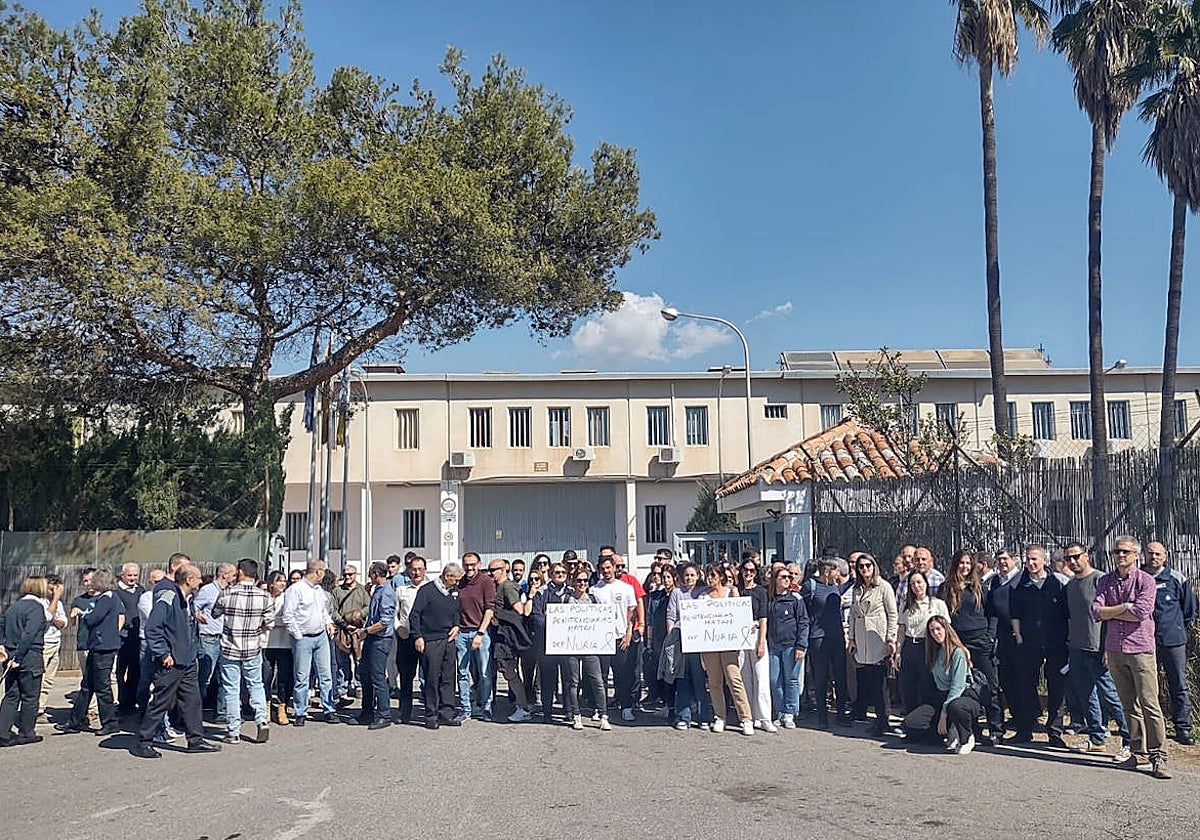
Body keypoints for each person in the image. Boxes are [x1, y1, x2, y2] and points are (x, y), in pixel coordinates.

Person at [1092, 536, 1171, 780]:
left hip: (1141, 649)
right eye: (1116, 551)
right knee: (1129, 705)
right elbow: (1096, 611)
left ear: (1136, 554)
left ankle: (1159, 755)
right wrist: (1125, 606)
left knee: (1150, 703)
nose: (1120, 555)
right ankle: (1139, 753)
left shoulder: (1146, 580)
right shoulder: (1105, 580)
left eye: (1125, 551)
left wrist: (1116, 611)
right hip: (1115, 649)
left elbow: (1141, 612)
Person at [132, 564, 221, 758]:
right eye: (197, 577)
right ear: (188, 580)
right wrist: (164, 654)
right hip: (171, 661)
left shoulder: (187, 599)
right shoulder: (169, 596)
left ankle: (195, 740)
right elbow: (153, 628)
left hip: (186, 660)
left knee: (192, 701)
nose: (200, 580)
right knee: (160, 701)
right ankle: (144, 741)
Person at [1061, 543, 1131, 763]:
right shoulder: (1071, 585)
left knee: (1111, 696)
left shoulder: (1101, 580)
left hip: (1098, 648)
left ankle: (1130, 741)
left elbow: (1112, 615)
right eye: (1068, 558)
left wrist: (1107, 648)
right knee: (1087, 695)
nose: (1072, 562)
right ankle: (1096, 737)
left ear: (1086, 556)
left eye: (1076, 556)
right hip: (1077, 648)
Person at [1008, 544, 1069, 745]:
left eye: (1035, 559)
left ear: (1045, 559)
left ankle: (1054, 732)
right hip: (1029, 643)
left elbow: (1067, 614)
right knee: (1026, 686)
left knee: (1057, 688)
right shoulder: (1019, 585)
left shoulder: (1059, 583)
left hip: (1056, 644)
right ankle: (1025, 730)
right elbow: (1014, 613)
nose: (1031, 563)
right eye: (1028, 559)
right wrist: (1019, 637)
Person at [211, 558, 275, 744]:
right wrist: (256, 630)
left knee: (231, 689)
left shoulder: (227, 592)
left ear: (240, 571)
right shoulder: (264, 596)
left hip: (230, 647)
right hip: (253, 647)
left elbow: (215, 613)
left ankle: (234, 731)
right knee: (256, 685)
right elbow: (269, 624)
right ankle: (262, 720)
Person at [943, 548, 1002, 743]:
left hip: (981, 642)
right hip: (958, 644)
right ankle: (972, 729)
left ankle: (996, 729)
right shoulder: (947, 588)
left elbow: (993, 613)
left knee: (990, 687)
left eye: (968, 563)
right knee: (964, 687)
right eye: (962, 563)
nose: (965, 567)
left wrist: (990, 637)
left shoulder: (980, 587)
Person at [901, 615, 981, 755]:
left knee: (955, 707)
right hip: (942, 697)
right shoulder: (935, 652)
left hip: (963, 697)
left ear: (946, 629)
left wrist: (943, 714)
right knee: (911, 722)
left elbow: (957, 687)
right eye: (932, 631)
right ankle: (946, 730)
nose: (936, 633)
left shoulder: (958, 653)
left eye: (938, 629)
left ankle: (966, 736)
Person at [1142, 540, 1196, 745]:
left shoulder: (1176, 578)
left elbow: (1189, 609)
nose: (1153, 557)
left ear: (1165, 556)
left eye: (1158, 554)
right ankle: (1151, 729)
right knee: (1147, 686)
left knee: (1178, 684)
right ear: (1143, 555)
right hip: (1144, 641)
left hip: (1173, 641)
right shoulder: (1138, 577)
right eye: (1150, 553)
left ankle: (1183, 728)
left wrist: (1177, 628)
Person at [59, 568, 124, 736]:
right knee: (87, 685)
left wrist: (84, 613)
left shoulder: (107, 598)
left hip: (104, 647)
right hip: (97, 646)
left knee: (102, 687)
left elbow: (93, 618)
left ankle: (110, 722)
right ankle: (76, 720)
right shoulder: (106, 598)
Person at [697, 564, 755, 736]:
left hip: (729, 644)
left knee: (734, 679)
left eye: (713, 575)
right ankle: (720, 716)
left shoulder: (732, 593)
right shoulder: (703, 597)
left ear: (721, 577)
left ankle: (746, 718)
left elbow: (741, 615)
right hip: (710, 644)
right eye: (708, 575)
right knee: (714, 681)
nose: (710, 579)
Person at [281, 558, 338, 726]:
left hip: (320, 636)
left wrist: (328, 622)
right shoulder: (296, 590)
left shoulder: (318, 591)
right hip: (303, 638)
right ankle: (300, 711)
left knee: (326, 675)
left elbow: (323, 611)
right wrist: (298, 636)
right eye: (323, 571)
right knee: (302, 676)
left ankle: (329, 709)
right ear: (318, 571)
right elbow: (288, 615)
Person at [847, 552, 897, 736]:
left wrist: (890, 638)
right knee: (869, 679)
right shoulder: (856, 589)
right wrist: (851, 637)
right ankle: (877, 717)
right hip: (862, 637)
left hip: (878, 635)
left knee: (880, 682)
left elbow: (892, 614)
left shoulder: (884, 587)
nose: (865, 569)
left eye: (868, 565)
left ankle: (883, 719)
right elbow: (853, 614)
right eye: (861, 566)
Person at [410, 562, 464, 730]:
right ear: (447, 576)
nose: (457, 583)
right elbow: (415, 615)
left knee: (448, 677)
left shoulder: (453, 592)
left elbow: (456, 611)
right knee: (432, 678)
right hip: (431, 639)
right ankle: (431, 714)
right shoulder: (426, 591)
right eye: (455, 579)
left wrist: (456, 625)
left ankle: (446, 712)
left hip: (448, 639)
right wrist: (417, 636)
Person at [0, 576, 50, 747]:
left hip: (10, 652)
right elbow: (29, 633)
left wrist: (2, 646)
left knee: (11, 695)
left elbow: (2, 625)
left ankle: (2, 732)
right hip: (29, 655)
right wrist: (19, 657)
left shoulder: (13, 607)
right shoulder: (36, 608)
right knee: (30, 696)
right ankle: (26, 732)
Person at [591, 555, 639, 723]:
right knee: (601, 676)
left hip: (620, 637)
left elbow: (631, 613)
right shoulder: (595, 590)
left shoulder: (626, 588)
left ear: (614, 568)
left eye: (608, 568)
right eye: (603, 568)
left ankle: (626, 707)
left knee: (622, 675)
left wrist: (628, 633)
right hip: (602, 639)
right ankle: (601, 708)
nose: (606, 571)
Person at [801, 559, 847, 729]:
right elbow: (803, 612)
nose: (838, 575)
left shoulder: (835, 586)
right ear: (827, 572)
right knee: (820, 678)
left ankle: (841, 715)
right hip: (818, 638)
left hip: (836, 636)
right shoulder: (810, 587)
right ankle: (822, 717)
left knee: (840, 676)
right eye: (836, 571)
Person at [563, 569, 611, 730]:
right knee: (573, 682)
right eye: (579, 580)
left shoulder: (593, 599)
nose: (582, 584)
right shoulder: (567, 599)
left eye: (585, 581)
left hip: (591, 647)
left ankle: (604, 715)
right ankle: (576, 715)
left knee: (597, 680)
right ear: (573, 582)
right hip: (572, 647)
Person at [897, 569, 949, 717]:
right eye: (912, 583)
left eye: (919, 582)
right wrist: (898, 652)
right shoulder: (905, 606)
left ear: (926, 583)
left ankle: (927, 721)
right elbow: (902, 629)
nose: (916, 586)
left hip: (928, 646)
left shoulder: (937, 604)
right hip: (909, 646)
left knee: (926, 685)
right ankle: (910, 719)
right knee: (907, 686)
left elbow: (946, 629)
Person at [667, 563, 713, 730]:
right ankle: (683, 717)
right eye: (686, 575)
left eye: (692, 575)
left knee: (700, 680)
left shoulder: (703, 592)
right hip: (681, 640)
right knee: (682, 680)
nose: (689, 578)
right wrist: (671, 638)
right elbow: (671, 616)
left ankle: (704, 718)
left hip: (699, 641)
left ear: (697, 576)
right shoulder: (676, 593)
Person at [488, 558, 533, 722]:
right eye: (490, 570)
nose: (491, 573)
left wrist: (498, 616)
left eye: (494, 569)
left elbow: (519, 611)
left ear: (503, 569)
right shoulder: (499, 586)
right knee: (508, 673)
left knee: (510, 673)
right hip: (502, 635)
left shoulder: (507, 587)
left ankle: (522, 707)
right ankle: (520, 705)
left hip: (507, 637)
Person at [454, 552, 496, 722]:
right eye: (466, 565)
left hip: (480, 633)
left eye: (472, 564)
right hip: (462, 633)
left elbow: (489, 609)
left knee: (484, 672)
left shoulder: (486, 582)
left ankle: (486, 706)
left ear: (479, 564)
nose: (469, 568)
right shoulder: (461, 582)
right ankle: (465, 708)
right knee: (462, 673)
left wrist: (480, 632)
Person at [355, 562, 397, 730]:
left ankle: (384, 714)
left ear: (375, 574)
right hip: (372, 638)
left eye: (370, 573)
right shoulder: (377, 590)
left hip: (380, 639)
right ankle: (367, 711)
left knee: (378, 677)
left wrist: (366, 631)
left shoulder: (386, 592)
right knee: (365, 674)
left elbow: (385, 622)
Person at [766, 565, 809, 730]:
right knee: (774, 679)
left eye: (789, 577)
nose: (787, 580)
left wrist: (801, 645)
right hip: (773, 645)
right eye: (783, 577)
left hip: (792, 645)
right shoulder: (769, 599)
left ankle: (790, 712)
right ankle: (780, 710)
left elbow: (804, 622)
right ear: (775, 580)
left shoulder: (796, 599)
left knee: (791, 679)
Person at [738, 554, 775, 732]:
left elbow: (763, 618)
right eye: (745, 570)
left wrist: (761, 642)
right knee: (745, 678)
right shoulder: (736, 590)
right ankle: (749, 716)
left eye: (752, 570)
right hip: (738, 637)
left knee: (761, 677)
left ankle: (764, 717)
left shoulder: (760, 591)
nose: (748, 573)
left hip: (756, 633)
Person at [531, 562, 571, 723]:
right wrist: (551, 622)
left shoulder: (573, 592)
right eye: (556, 572)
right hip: (546, 643)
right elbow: (536, 616)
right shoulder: (542, 592)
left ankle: (569, 710)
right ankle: (547, 712)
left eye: (563, 572)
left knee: (569, 679)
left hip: (569, 644)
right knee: (548, 679)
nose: (560, 574)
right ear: (551, 574)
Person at [193, 562, 235, 716]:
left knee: (226, 677)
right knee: (205, 677)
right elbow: (194, 606)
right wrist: (198, 614)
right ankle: (195, 712)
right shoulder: (208, 590)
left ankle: (222, 712)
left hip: (226, 638)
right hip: (209, 638)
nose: (235, 577)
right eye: (233, 574)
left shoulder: (232, 591)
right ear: (225, 575)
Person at [987, 547, 1022, 730]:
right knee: (1006, 678)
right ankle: (1016, 716)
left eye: (1005, 559)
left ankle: (1027, 719)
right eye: (999, 559)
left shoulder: (1021, 579)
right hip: (1002, 637)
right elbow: (992, 610)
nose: (1002, 562)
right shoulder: (994, 582)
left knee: (1022, 679)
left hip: (1020, 636)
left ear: (1014, 560)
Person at [393, 555, 428, 725]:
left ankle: (430, 712)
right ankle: (404, 713)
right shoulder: (401, 590)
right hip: (406, 638)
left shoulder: (431, 590)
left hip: (425, 638)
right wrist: (398, 628)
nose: (417, 572)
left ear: (425, 570)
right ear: (408, 570)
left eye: (420, 569)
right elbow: (395, 613)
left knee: (429, 677)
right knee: (406, 678)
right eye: (413, 569)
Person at [332, 564, 369, 705]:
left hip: (358, 631)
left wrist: (359, 615)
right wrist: (343, 622)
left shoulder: (362, 590)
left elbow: (368, 607)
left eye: (350, 574)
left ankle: (359, 685)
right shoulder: (337, 591)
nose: (347, 577)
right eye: (345, 574)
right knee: (342, 661)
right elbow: (333, 610)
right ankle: (343, 688)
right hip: (342, 630)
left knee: (360, 660)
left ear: (355, 575)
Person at [262, 571, 294, 726]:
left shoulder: (288, 598)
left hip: (285, 643)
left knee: (284, 677)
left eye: (284, 581)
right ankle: (266, 706)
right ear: (271, 583)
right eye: (279, 581)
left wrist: (272, 622)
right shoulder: (264, 597)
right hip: (265, 643)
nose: (282, 584)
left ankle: (282, 706)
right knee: (265, 677)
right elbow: (261, 617)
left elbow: (289, 618)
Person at [645, 564, 677, 716]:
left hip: (675, 639)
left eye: (668, 577)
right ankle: (665, 704)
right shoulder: (656, 596)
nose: (665, 580)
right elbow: (650, 619)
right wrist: (649, 643)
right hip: (659, 639)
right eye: (663, 577)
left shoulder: (678, 595)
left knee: (674, 673)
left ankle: (675, 704)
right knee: (662, 673)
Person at [113, 562, 144, 714]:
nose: (132, 578)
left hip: (136, 637)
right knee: (119, 672)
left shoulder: (141, 590)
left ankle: (131, 701)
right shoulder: (115, 592)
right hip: (121, 638)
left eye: (135, 575)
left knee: (135, 671)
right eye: (129, 575)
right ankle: (121, 701)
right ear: (122, 575)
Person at [36, 574, 67, 722]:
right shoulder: (41, 601)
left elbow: (63, 622)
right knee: (39, 677)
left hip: (56, 642)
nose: (54, 592)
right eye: (51, 588)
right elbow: (48, 616)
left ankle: (41, 707)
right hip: (44, 643)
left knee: (49, 678)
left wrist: (56, 619)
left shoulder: (58, 603)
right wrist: (55, 599)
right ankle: (33, 708)